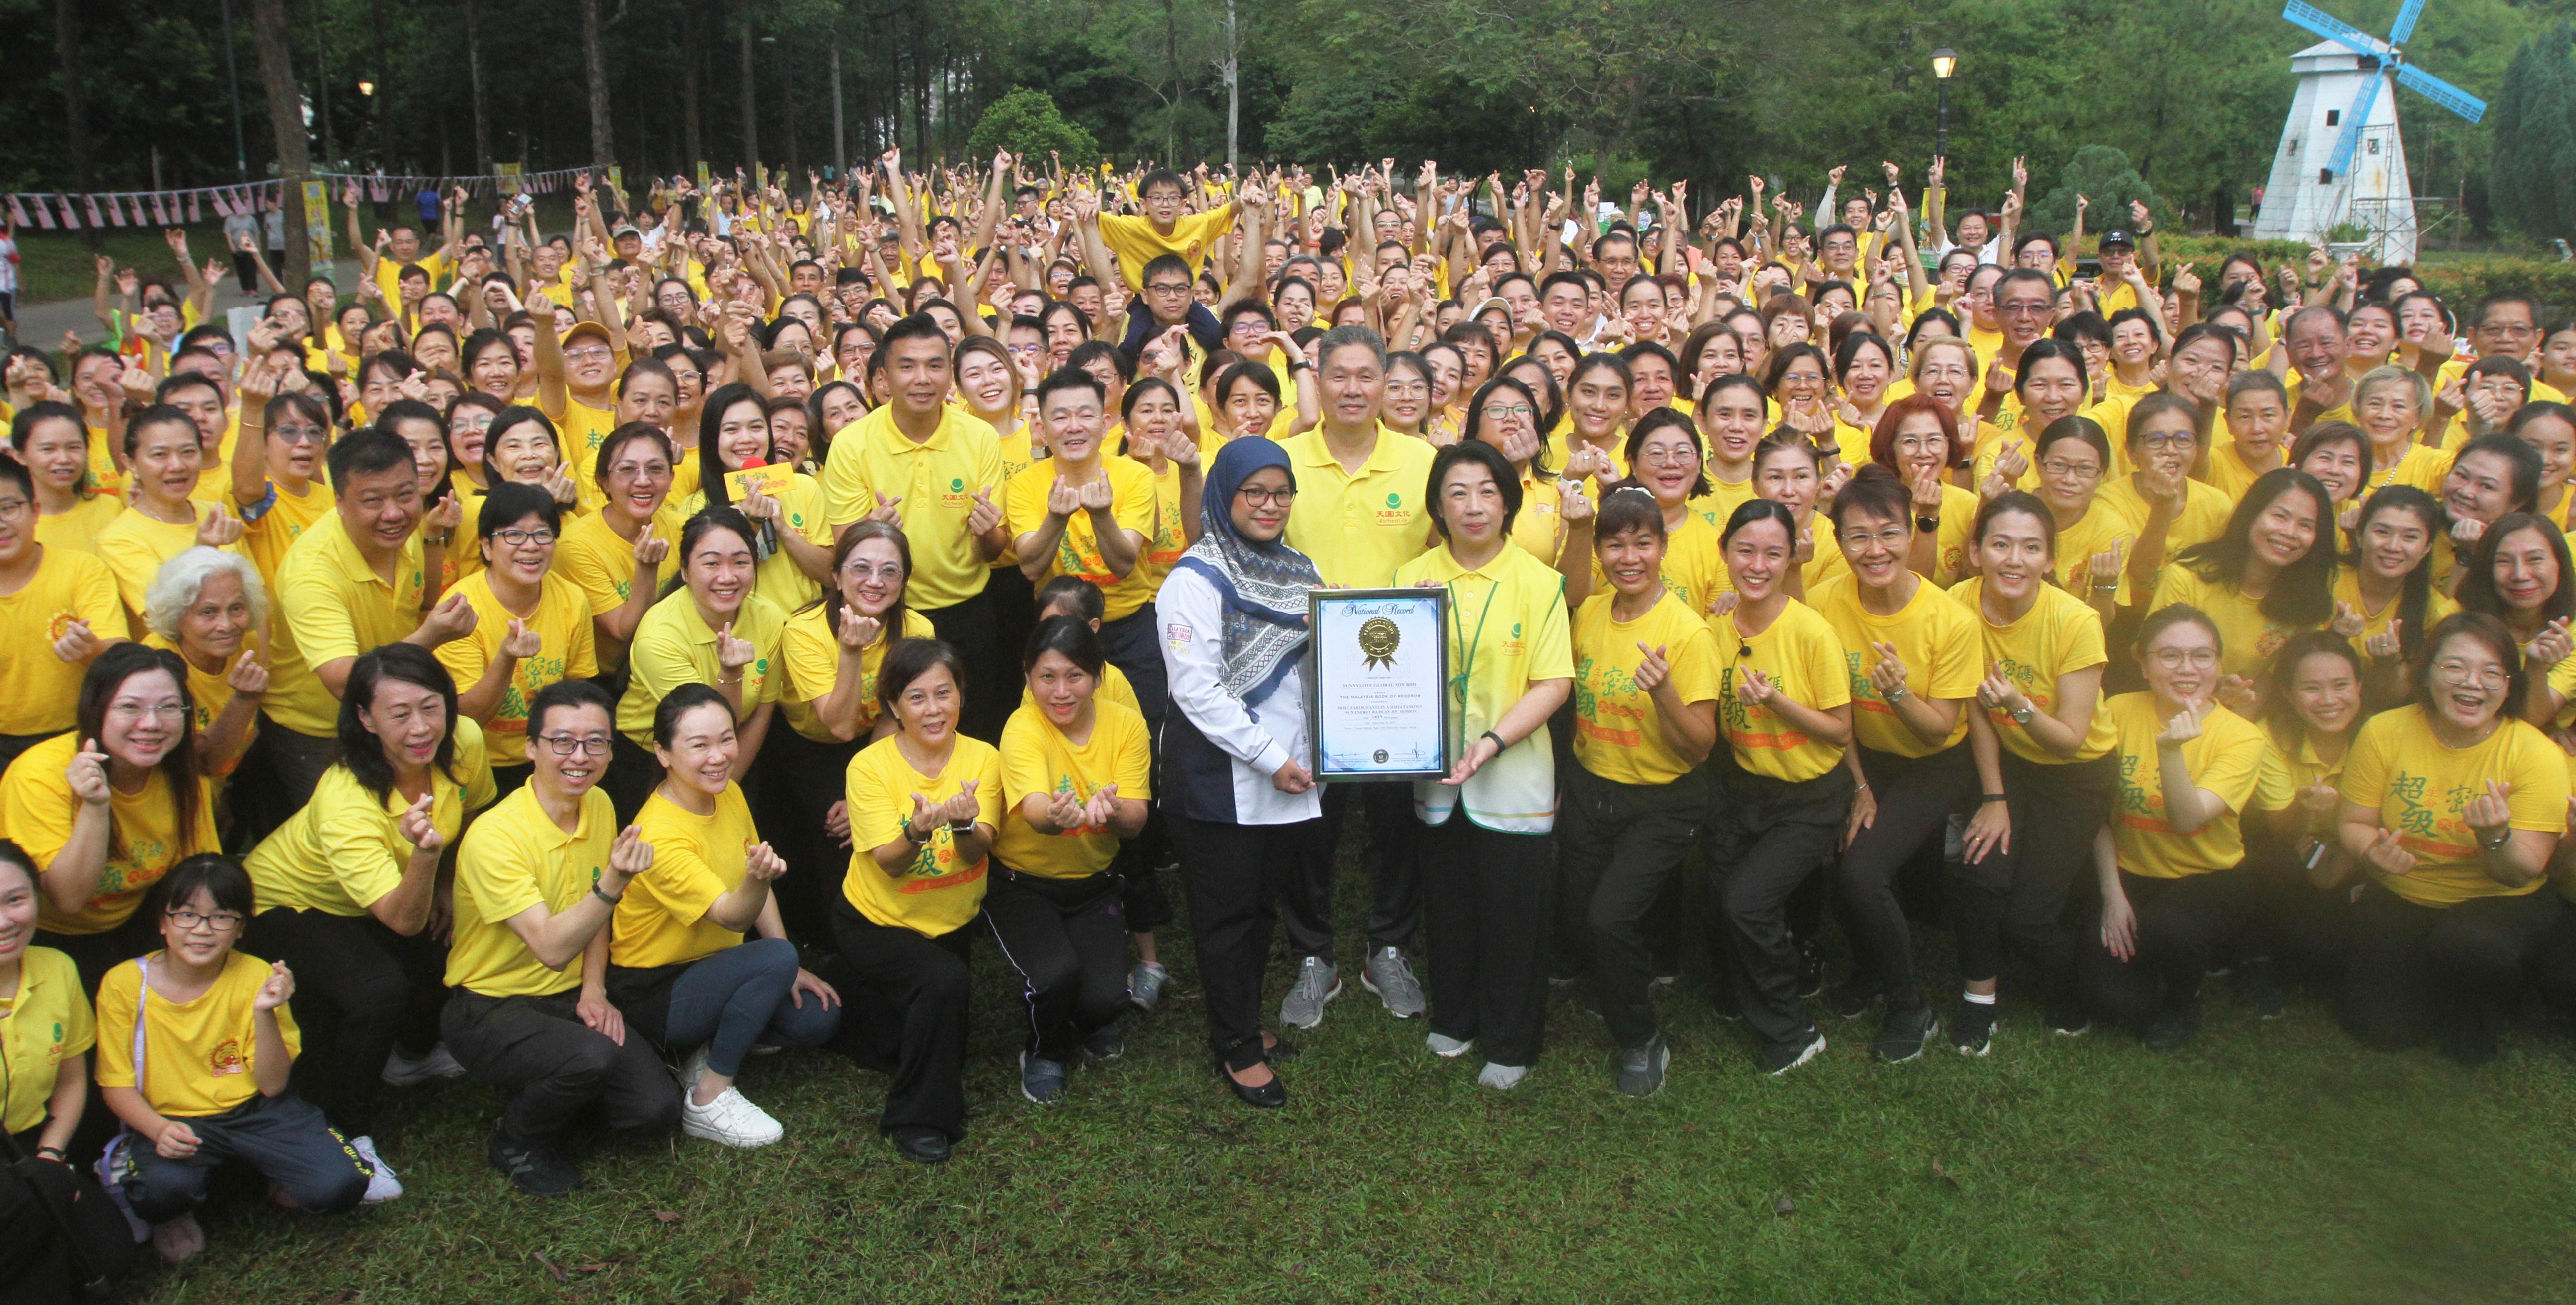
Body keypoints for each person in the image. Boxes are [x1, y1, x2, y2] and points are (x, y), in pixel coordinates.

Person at [242, 644, 495, 1201]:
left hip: (387, 891)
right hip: (289, 904)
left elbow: (472, 807)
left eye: (432, 707)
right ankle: (347, 1129)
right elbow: (401, 920)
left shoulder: (465, 742)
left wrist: (448, 881)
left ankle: (410, 1054)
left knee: (460, 937)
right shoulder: (346, 799)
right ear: (364, 717)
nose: (421, 727)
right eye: (399, 714)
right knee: (376, 990)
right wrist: (427, 861)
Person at [442, 679, 678, 1197]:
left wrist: (594, 990)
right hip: (491, 1003)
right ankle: (517, 1141)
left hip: (569, 994)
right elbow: (550, 947)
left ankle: (564, 1081)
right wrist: (613, 882)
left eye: (597, 741)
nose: (580, 756)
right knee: (588, 1057)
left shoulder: (598, 805)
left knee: (654, 1110)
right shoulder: (495, 835)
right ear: (531, 747)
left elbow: (594, 918)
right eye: (562, 741)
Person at [1159, 437, 1331, 1107]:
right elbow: (1198, 690)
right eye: (1253, 492)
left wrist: (1323, 748)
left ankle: (1242, 1023)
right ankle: (1234, 1046)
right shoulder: (1194, 577)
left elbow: (1320, 662)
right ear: (1224, 496)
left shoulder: (1299, 566)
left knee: (1261, 906)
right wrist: (1274, 759)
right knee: (1226, 915)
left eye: (1280, 492)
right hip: (1221, 776)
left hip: (1290, 770)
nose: (1269, 504)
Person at [1275, 325, 1438, 1028]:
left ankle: (1390, 945)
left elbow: (1446, 550)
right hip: (1305, 668)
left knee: (1396, 816)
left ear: (1386, 383)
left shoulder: (1423, 459)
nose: (1351, 389)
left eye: (1366, 375)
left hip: (1397, 678)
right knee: (1310, 816)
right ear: (1318, 378)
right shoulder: (1282, 460)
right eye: (1337, 375)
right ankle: (1314, 953)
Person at [96, 855, 373, 1265]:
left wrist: (264, 1011)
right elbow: (115, 1083)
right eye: (187, 914)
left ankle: (258, 1178)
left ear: (241, 926)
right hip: (174, 1118)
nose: (202, 930)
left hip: (257, 1109)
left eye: (221, 916)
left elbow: (273, 1085)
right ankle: (180, 1209)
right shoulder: (124, 984)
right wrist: (158, 1129)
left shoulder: (255, 974)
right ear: (163, 922)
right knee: (156, 1193)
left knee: (342, 1185)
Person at [611, 685, 842, 1150]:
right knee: (773, 958)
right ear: (663, 753)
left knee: (817, 1017)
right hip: (653, 988)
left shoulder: (728, 792)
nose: (718, 756)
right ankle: (710, 1095)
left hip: (714, 966)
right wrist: (772, 940)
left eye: (726, 739)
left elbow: (752, 871)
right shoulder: (660, 835)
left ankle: (706, 1043)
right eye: (698, 745)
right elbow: (737, 914)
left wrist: (790, 966)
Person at [2335, 613, 2569, 1064]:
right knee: (2379, 1029)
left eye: (2490, 672)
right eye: (2455, 667)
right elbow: (2352, 821)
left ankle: (2480, 1006)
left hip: (2496, 901)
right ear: (2426, 672)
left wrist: (2495, 836)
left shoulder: (2536, 754)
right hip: (2406, 891)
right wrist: (2371, 852)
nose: (2472, 684)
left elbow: (2520, 872)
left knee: (2471, 946)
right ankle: (2430, 983)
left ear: (2509, 683)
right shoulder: (2385, 731)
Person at [1813, 467, 1988, 1062]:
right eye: (1858, 536)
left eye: (1888, 533)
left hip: (1934, 760)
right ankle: (1868, 968)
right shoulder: (1826, 601)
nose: (1874, 549)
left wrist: (1897, 694)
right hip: (1865, 755)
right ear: (1838, 542)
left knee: (1863, 873)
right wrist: (1859, 785)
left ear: (1912, 533)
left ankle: (1912, 1004)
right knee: (1839, 855)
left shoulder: (1951, 621)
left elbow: (1941, 727)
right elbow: (1834, 711)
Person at [1557, 485, 1719, 1094]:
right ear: (1599, 550)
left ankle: (1641, 1038)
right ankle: (1617, 981)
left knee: (1608, 917)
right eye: (1615, 543)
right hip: (1591, 786)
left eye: (1643, 543)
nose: (1630, 556)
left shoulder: (1687, 632)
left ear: (1663, 547)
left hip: (1661, 801)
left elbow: (1699, 745)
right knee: (1580, 913)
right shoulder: (1593, 611)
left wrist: (1665, 693)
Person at [1949, 492, 2121, 1053]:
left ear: (2050, 559)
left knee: (2029, 918)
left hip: (2076, 772)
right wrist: (1993, 795)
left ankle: (2070, 984)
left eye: (2031, 547)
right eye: (2000, 544)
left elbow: (2071, 741)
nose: (2014, 560)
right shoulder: (1959, 603)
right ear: (1976, 552)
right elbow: (1974, 708)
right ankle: (1980, 1000)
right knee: (1981, 869)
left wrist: (2020, 704)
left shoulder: (2077, 622)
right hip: (2009, 763)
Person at [243, 428, 477, 838]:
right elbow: (342, 681)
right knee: (344, 844)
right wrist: (433, 636)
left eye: (405, 495)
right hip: (316, 730)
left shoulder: (408, 532)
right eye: (373, 500)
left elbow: (421, 600)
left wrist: (435, 539)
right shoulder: (312, 573)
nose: (393, 513)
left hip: (395, 716)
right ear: (339, 501)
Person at [1701, 498, 1854, 1073]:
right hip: (1743, 789)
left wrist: (1776, 701)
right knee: (1723, 897)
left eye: (1773, 552)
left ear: (1792, 558)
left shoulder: (1813, 632)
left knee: (1748, 902)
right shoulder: (1716, 627)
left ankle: (1792, 1030)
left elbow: (1840, 731)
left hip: (1809, 798)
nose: (1757, 565)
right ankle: (1742, 992)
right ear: (1724, 553)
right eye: (1745, 550)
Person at [833, 639, 1001, 1163]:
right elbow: (889, 860)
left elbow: (979, 850)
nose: (934, 709)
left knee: (931, 1038)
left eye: (944, 693)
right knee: (944, 985)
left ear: (961, 695)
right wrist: (919, 831)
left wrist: (963, 822)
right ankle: (919, 1119)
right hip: (876, 921)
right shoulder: (869, 766)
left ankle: (849, 1003)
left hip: (950, 924)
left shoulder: (984, 757)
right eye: (917, 696)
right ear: (893, 705)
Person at [2081, 606, 2273, 1050]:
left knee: (2173, 930)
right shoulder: (2118, 709)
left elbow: (2187, 819)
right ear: (2143, 663)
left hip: (2206, 876)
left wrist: (2171, 752)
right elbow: (2096, 811)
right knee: (2113, 1003)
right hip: (2129, 871)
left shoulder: (2242, 736)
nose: (2188, 669)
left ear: (2219, 665)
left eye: (2203, 656)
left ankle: (2185, 1001)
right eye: (2170, 656)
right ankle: (2151, 958)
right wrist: (2113, 895)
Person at [819, 314, 1010, 741]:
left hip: (969, 608)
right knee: (898, 735)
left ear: (951, 375)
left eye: (935, 365)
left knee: (972, 732)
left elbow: (995, 550)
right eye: (907, 366)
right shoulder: (853, 444)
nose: (922, 379)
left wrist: (987, 532)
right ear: (884, 377)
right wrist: (870, 533)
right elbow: (843, 553)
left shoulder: (979, 437)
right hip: (893, 616)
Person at [988, 616, 1151, 1104]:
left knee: (1106, 998)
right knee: (1054, 975)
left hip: (1095, 882)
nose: (1061, 691)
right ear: (1027, 675)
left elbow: (1138, 820)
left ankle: (1088, 1016)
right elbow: (1036, 812)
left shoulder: (1126, 724)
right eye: (1047, 676)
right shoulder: (1021, 726)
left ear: (1099, 676)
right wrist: (1057, 816)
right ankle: (1044, 1051)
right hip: (1022, 881)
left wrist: (1114, 811)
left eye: (1075, 675)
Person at [0, 643, 218, 991]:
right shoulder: (37, 773)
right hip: (39, 935)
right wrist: (96, 805)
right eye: (130, 707)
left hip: (139, 918)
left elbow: (197, 875)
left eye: (168, 708)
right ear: (97, 709)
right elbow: (68, 899)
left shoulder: (182, 772)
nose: (151, 723)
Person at [612, 509, 787, 819]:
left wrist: (728, 786)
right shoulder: (659, 637)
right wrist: (731, 673)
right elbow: (709, 726)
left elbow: (764, 708)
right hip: (656, 758)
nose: (727, 576)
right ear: (685, 571)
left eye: (741, 562)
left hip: (731, 753)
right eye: (711, 563)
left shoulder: (768, 616)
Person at [436, 483, 600, 795]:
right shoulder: (461, 607)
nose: (530, 547)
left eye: (542, 534)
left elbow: (580, 692)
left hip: (551, 758)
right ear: (486, 547)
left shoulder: (572, 598)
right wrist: (506, 658)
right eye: (513, 535)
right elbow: (468, 717)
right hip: (481, 762)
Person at [2149, 468, 2339, 699]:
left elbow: (2271, 685)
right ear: (2251, 515)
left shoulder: (2305, 599)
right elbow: (2159, 665)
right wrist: (2216, 693)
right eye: (2280, 516)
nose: (2290, 532)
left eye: (2306, 526)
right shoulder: (2185, 577)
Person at [0, 454, 126, 777]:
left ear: (35, 510)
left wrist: (90, 650)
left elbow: (120, 655)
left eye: (8, 507)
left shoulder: (81, 569)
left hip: (74, 734)